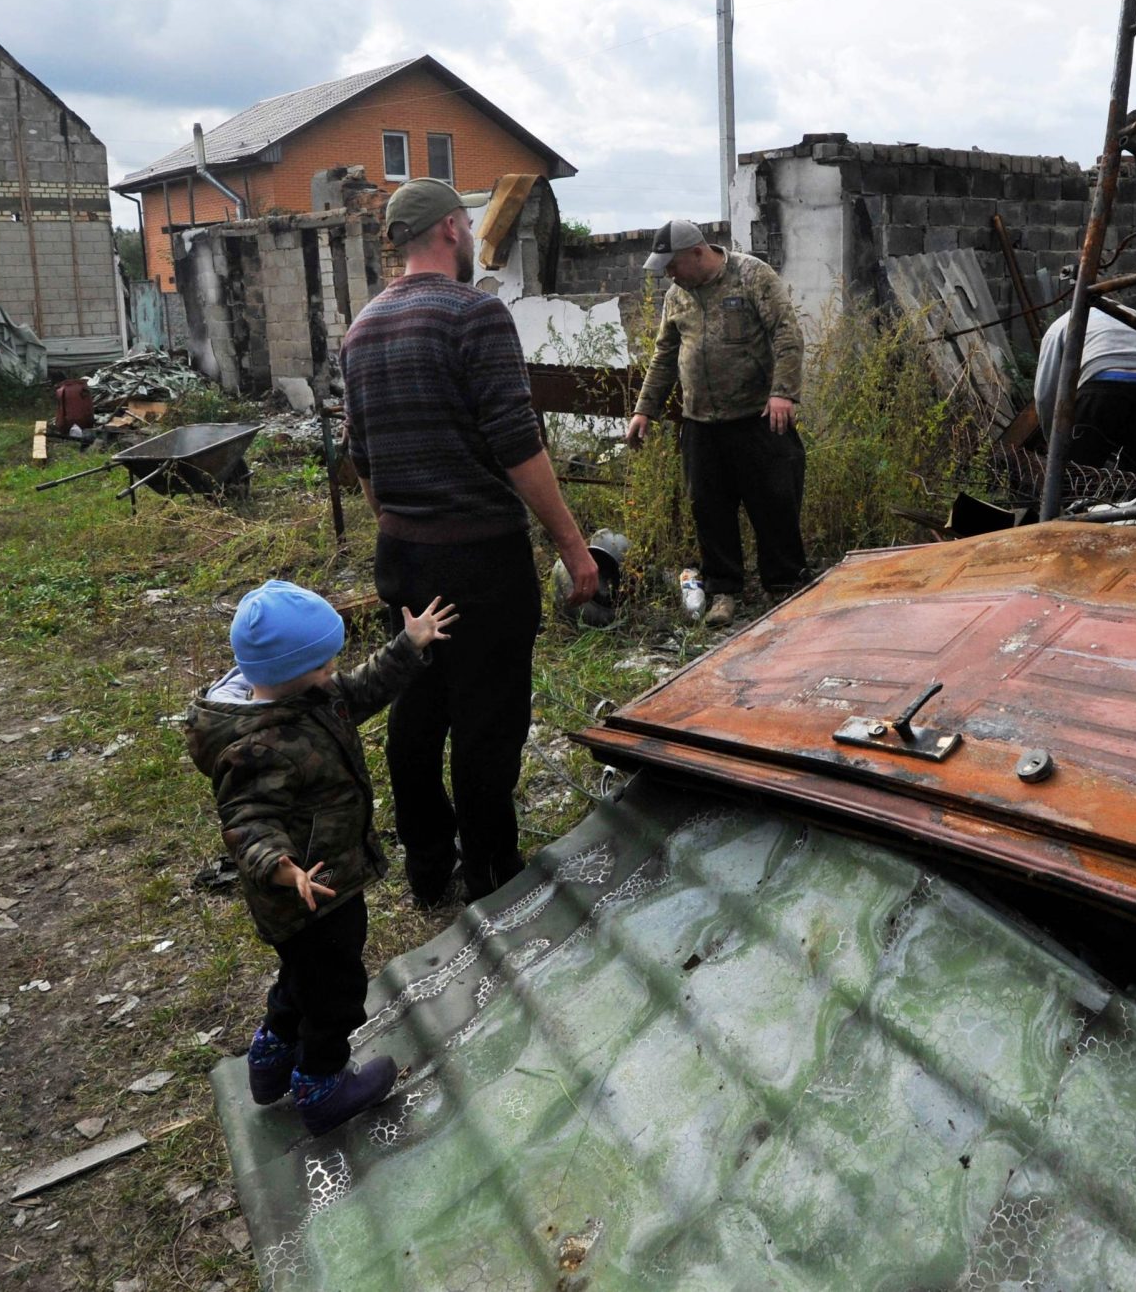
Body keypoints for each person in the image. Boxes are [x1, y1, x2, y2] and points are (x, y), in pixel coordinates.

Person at [340, 177, 598, 908]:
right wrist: (574, 547)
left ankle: (428, 867)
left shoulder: (362, 329)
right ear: (452, 228)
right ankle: (490, 871)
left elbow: (363, 460)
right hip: (481, 558)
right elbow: (518, 444)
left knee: (417, 711)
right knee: (488, 720)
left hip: (405, 553)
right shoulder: (475, 315)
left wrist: (396, 519)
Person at [187, 580, 454, 1134]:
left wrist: (407, 646)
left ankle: (270, 1062)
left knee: (303, 977)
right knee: (334, 988)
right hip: (308, 890)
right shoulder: (256, 745)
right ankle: (322, 1083)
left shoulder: (305, 697)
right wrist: (282, 868)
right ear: (295, 673)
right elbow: (247, 821)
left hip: (326, 879)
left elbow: (360, 689)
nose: (336, 670)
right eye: (326, 664)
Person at [625, 220, 807, 628]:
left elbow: (787, 333)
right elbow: (664, 355)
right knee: (709, 509)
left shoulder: (751, 275)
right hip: (702, 423)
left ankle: (784, 587)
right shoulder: (678, 296)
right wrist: (644, 409)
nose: (668, 274)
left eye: (672, 265)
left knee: (775, 503)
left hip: (757, 417)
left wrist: (783, 392)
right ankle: (725, 591)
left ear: (697, 252)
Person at [1033, 301, 1136, 476]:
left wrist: (1056, 443)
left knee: (1076, 477)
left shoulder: (1061, 325)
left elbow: (1045, 396)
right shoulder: (1134, 314)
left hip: (1100, 388)